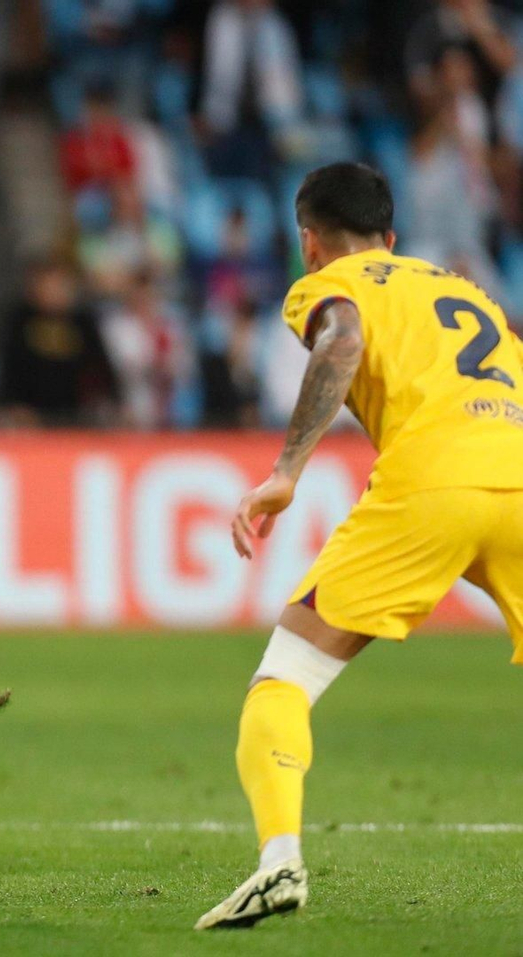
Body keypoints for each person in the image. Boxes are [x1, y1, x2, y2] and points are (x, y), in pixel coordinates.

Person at [197, 162, 523, 929]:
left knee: (281, 681)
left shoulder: (330, 284)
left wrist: (285, 472)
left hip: (433, 482)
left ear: (309, 244)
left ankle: (278, 862)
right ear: (394, 235)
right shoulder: (467, 288)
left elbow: (339, 343)